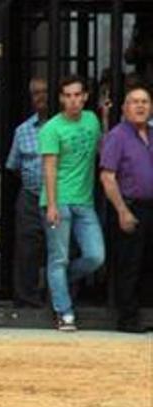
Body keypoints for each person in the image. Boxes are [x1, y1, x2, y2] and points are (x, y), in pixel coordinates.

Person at [39, 75, 105, 331]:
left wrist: (107, 118)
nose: (73, 100)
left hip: (84, 200)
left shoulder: (92, 120)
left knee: (95, 256)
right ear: (60, 99)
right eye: (68, 95)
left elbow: (101, 146)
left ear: (85, 97)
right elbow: (50, 168)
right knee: (59, 259)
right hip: (58, 200)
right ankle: (64, 312)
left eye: (77, 95)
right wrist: (53, 205)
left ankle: (58, 284)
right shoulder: (52, 128)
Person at [99, 86, 153, 333]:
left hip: (150, 207)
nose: (140, 106)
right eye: (134, 102)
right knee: (129, 264)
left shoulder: (152, 134)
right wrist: (122, 211)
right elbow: (108, 177)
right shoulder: (118, 136)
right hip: (129, 207)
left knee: (148, 264)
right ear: (124, 108)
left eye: (144, 102)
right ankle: (128, 319)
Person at [5, 77, 49, 308]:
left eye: (45, 92)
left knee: (61, 249)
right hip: (30, 195)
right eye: (36, 93)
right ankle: (27, 298)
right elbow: (14, 166)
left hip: (60, 196)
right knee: (27, 247)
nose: (41, 97)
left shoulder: (61, 125)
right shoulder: (22, 130)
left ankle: (58, 298)